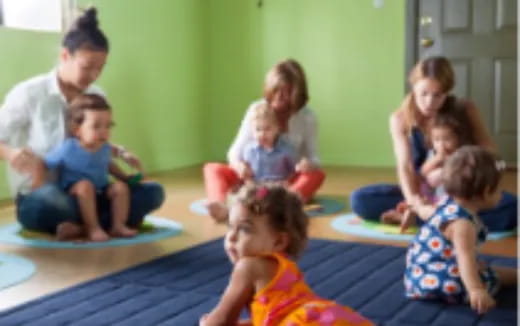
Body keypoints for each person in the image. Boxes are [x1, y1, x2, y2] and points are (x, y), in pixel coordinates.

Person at [0, 8, 164, 238]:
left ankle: (83, 225)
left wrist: (122, 155)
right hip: (47, 194)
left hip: (93, 192)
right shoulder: (29, 93)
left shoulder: (97, 95)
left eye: (100, 68)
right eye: (87, 67)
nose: (94, 75)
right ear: (65, 56)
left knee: (152, 192)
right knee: (46, 204)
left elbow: (99, 145)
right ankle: (98, 221)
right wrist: (10, 152)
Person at [350, 56, 517, 232]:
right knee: (360, 200)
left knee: (513, 209)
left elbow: (491, 156)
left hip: (464, 193)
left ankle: (427, 219)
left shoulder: (465, 109)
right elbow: (405, 168)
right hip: (423, 192)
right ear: (413, 87)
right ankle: (451, 220)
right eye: (423, 93)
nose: (429, 102)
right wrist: (415, 203)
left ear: (447, 92)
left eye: (437, 95)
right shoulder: (399, 119)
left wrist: (451, 173)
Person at [200, 183, 374, 326]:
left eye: (245, 229)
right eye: (230, 226)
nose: (231, 236)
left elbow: (221, 321)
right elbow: (273, 315)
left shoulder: (248, 267)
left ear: (279, 241)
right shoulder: (284, 267)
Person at [203, 59, 325, 221]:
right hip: (253, 178)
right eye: (276, 91)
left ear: (297, 93)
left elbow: (314, 157)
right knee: (212, 168)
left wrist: (309, 164)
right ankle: (219, 206)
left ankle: (283, 203)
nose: (281, 98)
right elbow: (234, 151)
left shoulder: (307, 117)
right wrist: (240, 166)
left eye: (287, 92)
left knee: (317, 175)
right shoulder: (257, 110)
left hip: (286, 182)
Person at [404, 146, 517, 314]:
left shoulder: (446, 201)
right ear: (486, 192)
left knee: (486, 269)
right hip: (445, 280)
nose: (502, 194)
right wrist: (476, 290)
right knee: (490, 275)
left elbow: (426, 212)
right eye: (499, 189)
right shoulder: (463, 225)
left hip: (418, 275)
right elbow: (465, 259)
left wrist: (414, 209)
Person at [35, 94, 138, 242]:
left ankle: (118, 225)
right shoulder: (68, 147)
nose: (104, 132)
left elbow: (108, 164)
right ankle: (92, 228)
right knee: (85, 186)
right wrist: (38, 183)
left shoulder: (104, 147)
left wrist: (123, 177)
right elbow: (45, 163)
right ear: (77, 129)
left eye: (108, 126)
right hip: (75, 192)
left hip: (101, 191)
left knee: (120, 188)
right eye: (96, 126)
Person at [381, 105, 472, 224]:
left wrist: (449, 162)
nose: (442, 145)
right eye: (437, 140)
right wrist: (436, 160)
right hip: (429, 196)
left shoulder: (462, 154)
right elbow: (422, 173)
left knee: (453, 207)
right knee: (417, 196)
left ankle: (415, 218)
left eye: (447, 139)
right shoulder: (432, 154)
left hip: (450, 197)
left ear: (458, 138)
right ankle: (410, 213)